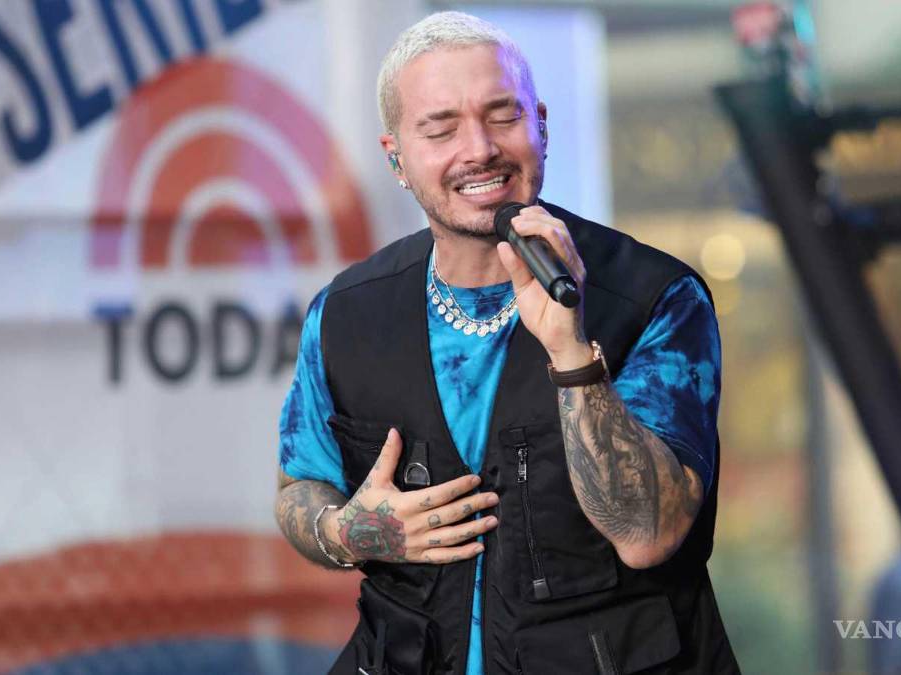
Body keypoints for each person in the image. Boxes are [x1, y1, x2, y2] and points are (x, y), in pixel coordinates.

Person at [274, 11, 738, 674]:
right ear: (396, 157)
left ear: (540, 126)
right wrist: (348, 531)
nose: (480, 148)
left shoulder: (654, 297)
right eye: (441, 128)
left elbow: (647, 533)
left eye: (503, 115)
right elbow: (300, 485)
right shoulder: (346, 313)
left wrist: (572, 354)